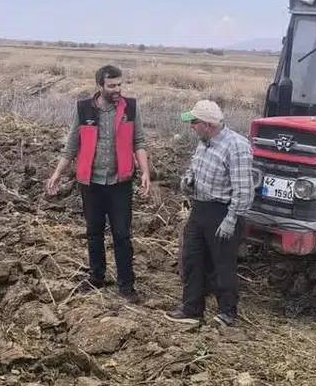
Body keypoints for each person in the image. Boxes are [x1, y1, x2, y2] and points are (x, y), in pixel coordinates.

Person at [46, 64, 151, 302]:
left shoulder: (130, 108)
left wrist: (144, 172)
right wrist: (57, 174)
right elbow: (72, 145)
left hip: (119, 182)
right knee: (94, 233)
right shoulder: (84, 109)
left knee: (122, 234)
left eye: (120, 84)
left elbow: (139, 142)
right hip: (91, 183)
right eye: (112, 85)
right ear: (100, 86)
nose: (117, 89)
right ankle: (96, 278)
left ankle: (126, 285)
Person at [168, 99, 253, 327]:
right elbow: (194, 169)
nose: (191, 127)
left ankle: (227, 313)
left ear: (208, 124)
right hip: (200, 208)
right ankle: (192, 309)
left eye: (194, 122)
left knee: (222, 264)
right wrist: (188, 181)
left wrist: (231, 220)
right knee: (192, 259)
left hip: (222, 212)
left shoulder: (236, 146)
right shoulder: (204, 143)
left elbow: (244, 189)